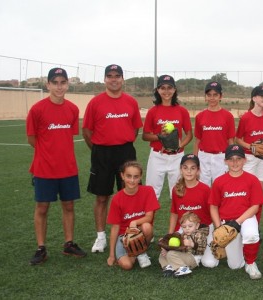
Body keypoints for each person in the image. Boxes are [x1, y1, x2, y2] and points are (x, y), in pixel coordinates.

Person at [26, 67, 86, 265]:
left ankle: (69, 243)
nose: (59, 86)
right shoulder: (37, 109)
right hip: (44, 168)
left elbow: (68, 136)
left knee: (68, 206)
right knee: (42, 207)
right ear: (48, 85)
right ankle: (41, 247)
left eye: (63, 82)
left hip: (68, 167)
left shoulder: (72, 109)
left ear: (67, 84)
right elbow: (32, 139)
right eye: (55, 82)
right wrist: (47, 154)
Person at [82, 64, 143, 253]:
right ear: (105, 79)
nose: (114, 79)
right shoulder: (95, 102)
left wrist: (122, 143)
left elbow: (135, 129)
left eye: (117, 76)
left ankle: (132, 232)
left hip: (125, 152)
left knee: (131, 194)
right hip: (102, 153)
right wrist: (100, 149)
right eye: (110, 76)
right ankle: (101, 237)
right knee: (102, 196)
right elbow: (86, 131)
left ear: (122, 79)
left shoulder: (131, 102)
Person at [206, 144, 263, 279]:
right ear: (225, 161)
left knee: (251, 234)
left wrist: (237, 222)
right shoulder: (219, 181)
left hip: (246, 218)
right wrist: (218, 226)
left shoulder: (252, 180)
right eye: (231, 159)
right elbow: (213, 206)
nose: (235, 162)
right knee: (235, 265)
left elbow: (255, 206)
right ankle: (242, 250)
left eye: (238, 159)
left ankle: (251, 263)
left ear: (245, 160)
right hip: (227, 223)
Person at [142, 75, 193, 199]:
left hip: (177, 157)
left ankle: (177, 219)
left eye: (169, 88)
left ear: (174, 90)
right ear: (158, 90)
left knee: (178, 194)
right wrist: (160, 137)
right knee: (151, 194)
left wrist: (180, 146)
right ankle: (149, 219)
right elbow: (145, 136)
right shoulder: (153, 111)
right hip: (157, 156)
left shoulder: (182, 111)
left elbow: (189, 134)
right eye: (162, 88)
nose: (166, 91)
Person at [106, 161, 160, 270]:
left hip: (141, 230)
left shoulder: (148, 191)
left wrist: (134, 222)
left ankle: (141, 251)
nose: (132, 180)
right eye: (128, 176)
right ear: (122, 176)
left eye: (136, 177)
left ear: (140, 177)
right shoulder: (117, 199)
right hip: (124, 237)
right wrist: (111, 255)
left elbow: (149, 217)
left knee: (147, 226)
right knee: (127, 265)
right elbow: (115, 227)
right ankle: (136, 252)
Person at [235, 85, 263, 224]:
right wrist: (251, 147)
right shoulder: (246, 117)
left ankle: (255, 225)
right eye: (262, 96)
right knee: (246, 194)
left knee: (259, 196)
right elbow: (238, 139)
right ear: (254, 98)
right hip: (249, 159)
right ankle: (244, 223)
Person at [193, 81, 236, 186]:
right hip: (204, 157)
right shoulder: (200, 116)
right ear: (205, 97)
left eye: (215, 95)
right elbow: (197, 141)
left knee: (220, 187)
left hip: (221, 157)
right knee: (203, 187)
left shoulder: (228, 116)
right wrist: (195, 161)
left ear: (220, 96)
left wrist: (232, 159)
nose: (212, 98)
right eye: (209, 95)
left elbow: (230, 141)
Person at [159, 212, 209, 277]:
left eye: (190, 226)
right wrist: (165, 248)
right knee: (163, 254)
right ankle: (168, 267)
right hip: (182, 256)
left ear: (197, 226)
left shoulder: (199, 235)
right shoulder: (182, 235)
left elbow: (202, 250)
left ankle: (183, 269)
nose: (187, 228)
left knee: (171, 254)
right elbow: (178, 249)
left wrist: (192, 244)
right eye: (184, 227)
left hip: (193, 259)